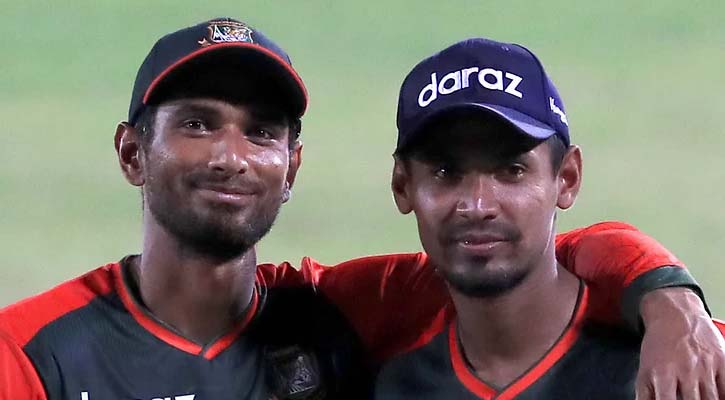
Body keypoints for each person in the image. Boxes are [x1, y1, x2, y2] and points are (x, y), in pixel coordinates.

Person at [0, 18, 721, 400]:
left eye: (262, 132)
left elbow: (553, 257)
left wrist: (669, 300)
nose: (230, 156)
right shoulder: (31, 353)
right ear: (132, 154)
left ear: (292, 167)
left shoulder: (338, 312)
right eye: (196, 124)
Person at [368, 37, 725, 399]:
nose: (478, 205)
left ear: (567, 178)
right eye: (445, 172)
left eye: (512, 170)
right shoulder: (373, 369)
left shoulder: (693, 365)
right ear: (402, 186)